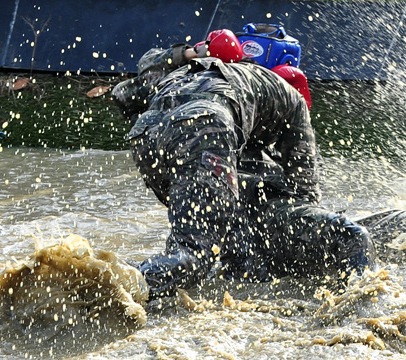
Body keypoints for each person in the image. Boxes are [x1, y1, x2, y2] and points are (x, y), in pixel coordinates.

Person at [110, 27, 372, 300]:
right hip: (207, 128)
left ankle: (141, 282)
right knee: (195, 257)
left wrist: (184, 54)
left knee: (194, 248)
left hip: (145, 138)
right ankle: (113, 281)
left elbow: (122, 94)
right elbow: (304, 192)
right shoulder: (286, 95)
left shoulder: (190, 72)